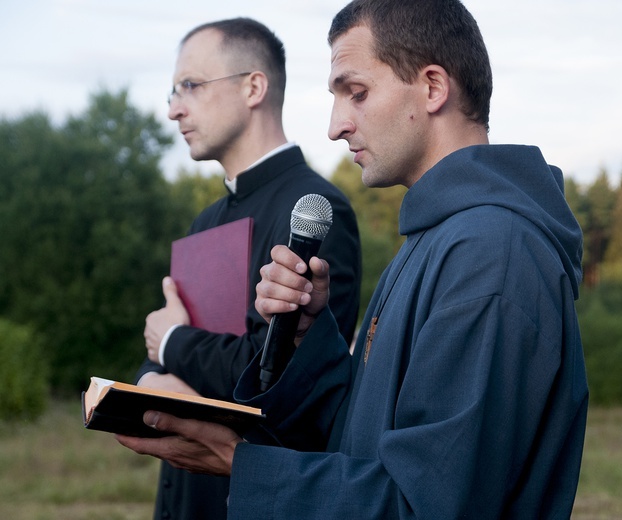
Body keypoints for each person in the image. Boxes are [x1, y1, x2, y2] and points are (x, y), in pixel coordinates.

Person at [118, 1, 589, 518]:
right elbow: (360, 436)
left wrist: (239, 462)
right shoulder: (435, 239)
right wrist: (305, 335)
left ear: (433, 87)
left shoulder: (491, 254)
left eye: (356, 93)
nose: (336, 125)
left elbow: (427, 505)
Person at [135, 17, 361, 520]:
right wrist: (150, 376)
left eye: (190, 86)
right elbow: (170, 354)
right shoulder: (205, 220)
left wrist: (171, 344)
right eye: (173, 91)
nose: (173, 109)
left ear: (253, 86)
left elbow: (280, 378)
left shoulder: (315, 209)